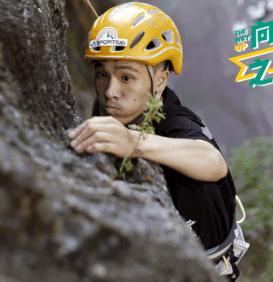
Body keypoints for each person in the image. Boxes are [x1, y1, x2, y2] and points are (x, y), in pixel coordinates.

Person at [68, 2, 245, 280]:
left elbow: (213, 162)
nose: (110, 91)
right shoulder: (120, 108)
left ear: (160, 80)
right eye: (103, 74)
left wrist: (133, 142)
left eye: (126, 77)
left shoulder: (177, 123)